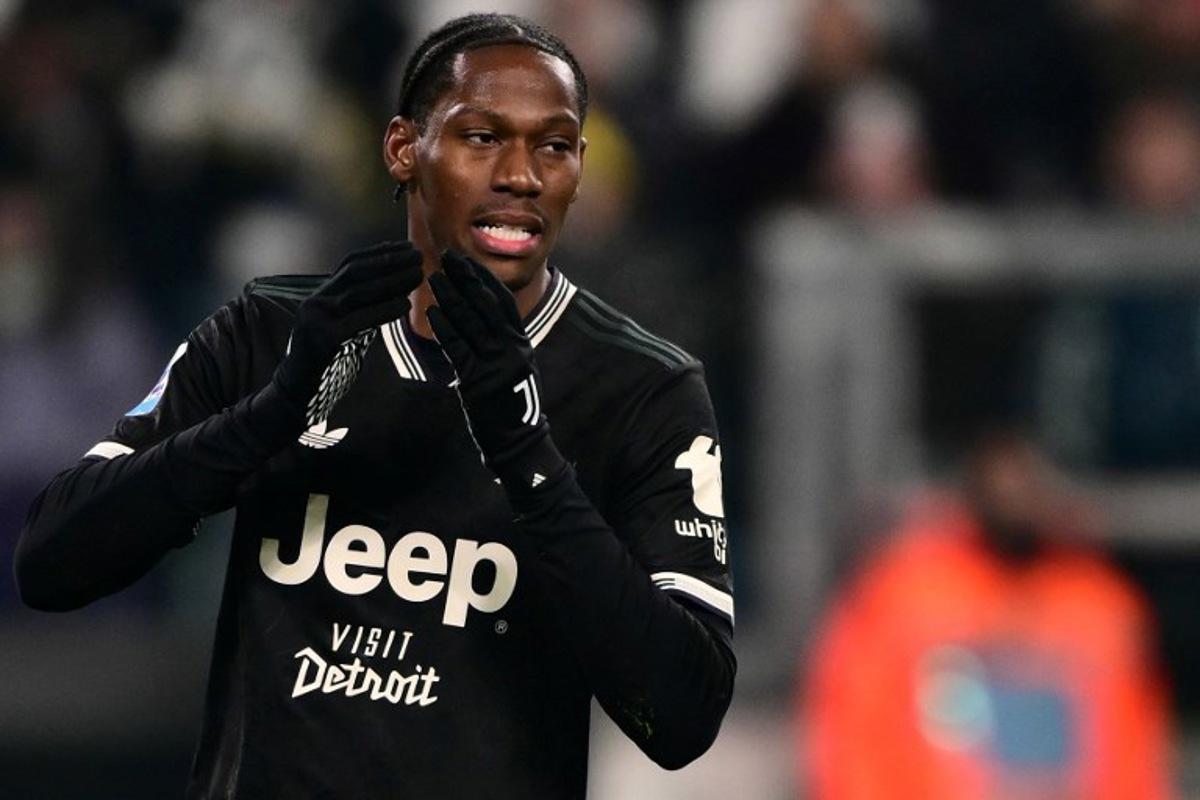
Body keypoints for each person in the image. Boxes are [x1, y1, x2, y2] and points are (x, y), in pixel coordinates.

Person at [14, 13, 735, 798]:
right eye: (482, 137)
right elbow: (52, 564)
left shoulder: (640, 389)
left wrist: (529, 461)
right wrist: (267, 418)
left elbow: (682, 719)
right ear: (403, 149)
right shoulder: (272, 333)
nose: (521, 175)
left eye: (554, 146)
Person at [798, 432, 1172, 799]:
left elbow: (1130, 742)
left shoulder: (1098, 603)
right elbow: (853, 727)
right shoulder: (906, 590)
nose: (1015, 495)